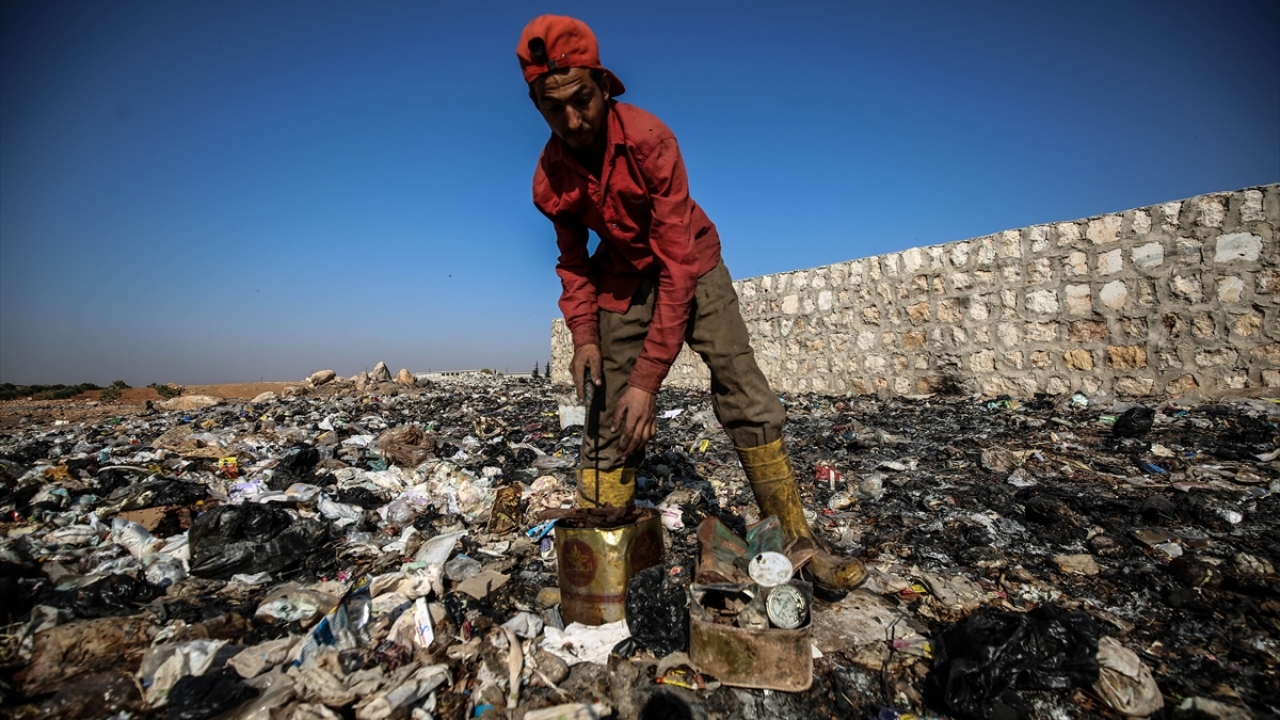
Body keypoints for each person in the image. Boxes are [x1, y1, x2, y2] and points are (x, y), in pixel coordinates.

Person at [517, 14, 865, 592]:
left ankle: (799, 543)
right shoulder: (549, 179)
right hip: (622, 273)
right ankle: (605, 559)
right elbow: (574, 263)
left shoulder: (651, 140)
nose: (572, 120)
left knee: (743, 388)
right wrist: (583, 336)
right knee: (604, 405)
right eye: (554, 109)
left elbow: (677, 265)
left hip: (691, 261)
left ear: (604, 86)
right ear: (536, 105)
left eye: (582, 100)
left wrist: (649, 380)